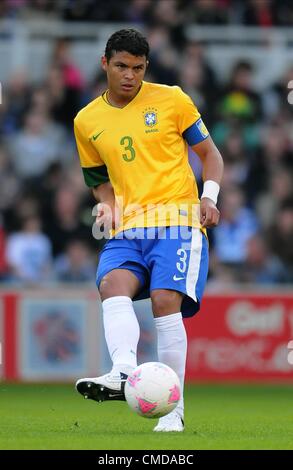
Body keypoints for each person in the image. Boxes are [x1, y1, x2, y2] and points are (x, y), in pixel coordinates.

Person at [74, 29, 223, 432]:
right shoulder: (86, 121)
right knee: (111, 285)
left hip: (177, 220)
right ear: (105, 63)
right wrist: (107, 205)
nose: (130, 76)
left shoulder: (172, 99)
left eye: (138, 69)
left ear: (146, 68)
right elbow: (96, 178)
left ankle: (173, 410)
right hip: (130, 225)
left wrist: (208, 197)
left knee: (163, 300)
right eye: (121, 66)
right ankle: (124, 371)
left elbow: (210, 154)